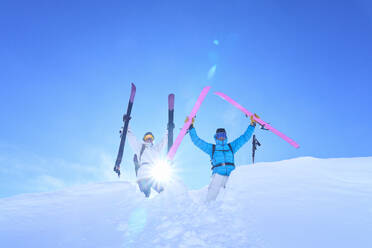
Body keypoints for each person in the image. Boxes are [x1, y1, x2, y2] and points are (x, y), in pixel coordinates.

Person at [187, 114, 258, 202]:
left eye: (223, 135)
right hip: (218, 175)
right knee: (211, 198)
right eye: (219, 135)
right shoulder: (212, 148)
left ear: (226, 136)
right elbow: (197, 141)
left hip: (231, 176)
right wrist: (191, 127)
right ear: (216, 136)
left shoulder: (231, 147)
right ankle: (207, 209)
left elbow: (244, 138)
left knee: (231, 200)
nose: (221, 137)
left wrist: (252, 125)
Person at [127, 127, 168, 198]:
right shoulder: (140, 147)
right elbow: (132, 140)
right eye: (147, 137)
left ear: (152, 140)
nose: (149, 139)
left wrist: (168, 132)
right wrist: (127, 129)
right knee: (144, 196)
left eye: (151, 137)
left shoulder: (156, 149)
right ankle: (143, 204)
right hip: (143, 174)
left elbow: (163, 142)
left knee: (163, 191)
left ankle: (165, 205)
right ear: (144, 139)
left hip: (153, 174)